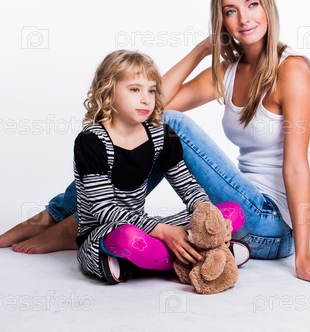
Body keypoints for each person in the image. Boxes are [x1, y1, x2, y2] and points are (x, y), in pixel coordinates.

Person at [0, 0, 310, 287]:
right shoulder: (228, 71)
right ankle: (58, 216)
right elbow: (151, 104)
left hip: (271, 226)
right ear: (221, 21)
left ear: (268, 7)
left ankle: (71, 222)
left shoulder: (291, 70)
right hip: (234, 213)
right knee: (147, 120)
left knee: (167, 126)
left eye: (252, 4)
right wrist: (201, 50)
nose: (244, 19)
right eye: (230, 11)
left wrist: (303, 257)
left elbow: (296, 166)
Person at [75, 49, 245, 282]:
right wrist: (163, 231)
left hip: (147, 227)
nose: (146, 99)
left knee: (232, 212)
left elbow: (188, 187)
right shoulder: (92, 141)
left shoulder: (160, 135)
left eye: (152, 90)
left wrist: (209, 218)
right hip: (106, 234)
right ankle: (207, 256)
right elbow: (104, 209)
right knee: (129, 239)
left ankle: (150, 262)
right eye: (135, 89)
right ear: (109, 90)